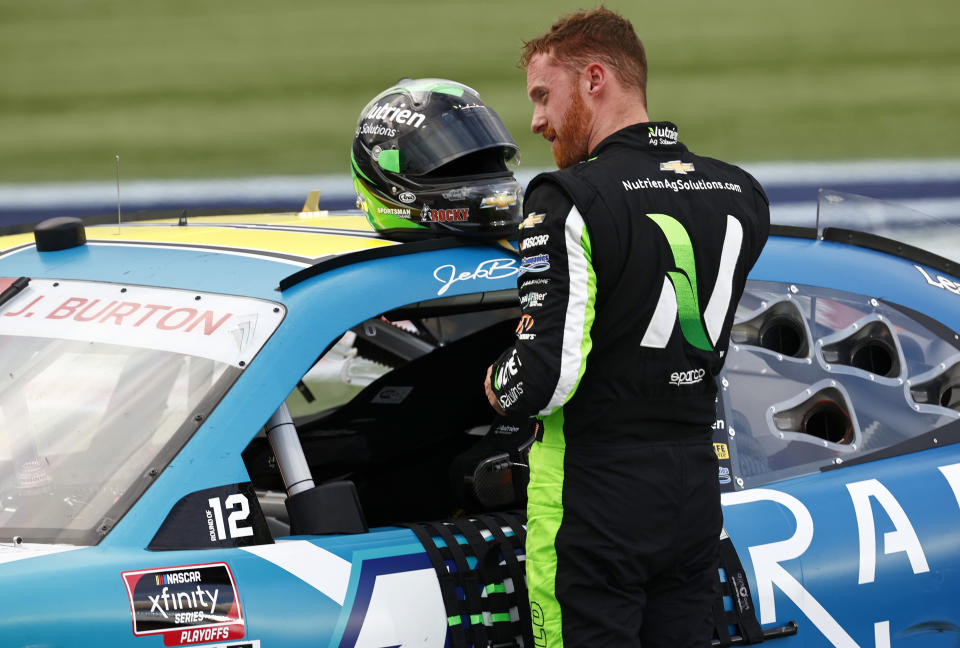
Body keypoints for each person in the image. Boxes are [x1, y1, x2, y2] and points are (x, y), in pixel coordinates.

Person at [483, 7, 770, 647]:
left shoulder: (566, 198)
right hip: (694, 490)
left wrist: (494, 385)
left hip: (593, 495)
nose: (535, 121)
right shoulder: (740, 192)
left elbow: (543, 382)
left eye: (541, 95)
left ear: (593, 80)